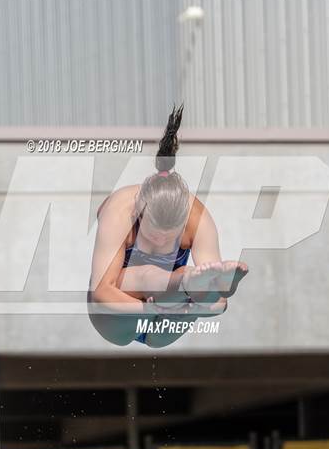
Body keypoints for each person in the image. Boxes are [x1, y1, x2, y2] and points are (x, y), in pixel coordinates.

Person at [87, 104, 248, 348]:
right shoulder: (119, 211)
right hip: (116, 318)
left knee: (187, 278)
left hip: (166, 320)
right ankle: (184, 287)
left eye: (170, 236)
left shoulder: (198, 219)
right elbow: (101, 293)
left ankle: (193, 286)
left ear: (183, 221)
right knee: (147, 275)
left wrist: (208, 302)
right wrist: (150, 309)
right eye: (153, 235)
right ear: (139, 213)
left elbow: (217, 308)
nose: (161, 242)